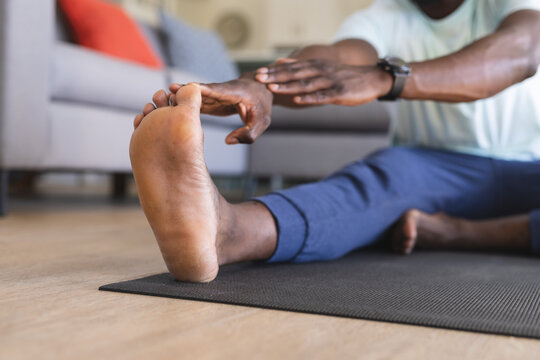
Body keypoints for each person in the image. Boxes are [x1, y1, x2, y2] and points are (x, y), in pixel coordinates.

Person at [129, 0, 540, 282]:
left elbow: (520, 52)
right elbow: (337, 56)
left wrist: (386, 77)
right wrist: (257, 85)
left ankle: (455, 233)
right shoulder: (386, 14)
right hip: (431, 169)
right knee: (380, 178)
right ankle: (225, 232)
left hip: (532, 166)